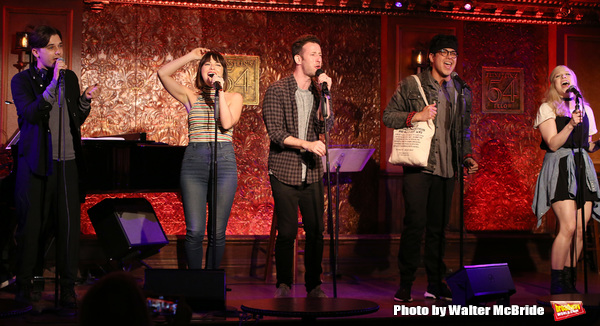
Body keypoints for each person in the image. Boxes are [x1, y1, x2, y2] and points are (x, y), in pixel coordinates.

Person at [383, 34, 478, 302]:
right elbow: (388, 116)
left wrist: (467, 156)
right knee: (415, 225)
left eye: (454, 54)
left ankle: (436, 283)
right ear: (432, 57)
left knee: (439, 228)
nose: (450, 58)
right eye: (444, 52)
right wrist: (416, 116)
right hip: (420, 168)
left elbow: (463, 130)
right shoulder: (412, 85)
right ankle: (406, 282)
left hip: (448, 170)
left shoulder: (461, 89)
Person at [10, 25, 99, 309]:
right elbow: (31, 114)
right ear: (36, 52)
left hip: (67, 163)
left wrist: (84, 101)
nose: (58, 52)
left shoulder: (69, 79)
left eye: (60, 46)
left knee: (69, 228)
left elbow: (75, 121)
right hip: (36, 163)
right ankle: (25, 285)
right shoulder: (21, 81)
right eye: (51, 47)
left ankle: (68, 288)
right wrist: (51, 87)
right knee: (31, 227)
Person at [158, 49, 243, 269]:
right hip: (194, 162)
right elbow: (162, 73)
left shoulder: (234, 97)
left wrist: (220, 92)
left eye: (217, 65)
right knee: (195, 231)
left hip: (224, 162)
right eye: (207, 65)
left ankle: (211, 285)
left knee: (217, 232)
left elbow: (225, 123)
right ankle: (195, 284)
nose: (212, 68)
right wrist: (190, 56)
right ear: (200, 71)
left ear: (224, 71)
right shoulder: (190, 96)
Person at [262, 34, 333, 298]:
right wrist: (307, 144)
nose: (318, 59)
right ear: (298, 59)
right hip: (284, 170)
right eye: (313, 54)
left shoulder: (318, 92)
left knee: (316, 231)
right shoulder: (277, 90)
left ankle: (314, 284)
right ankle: (284, 284)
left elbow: (325, 125)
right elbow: (277, 134)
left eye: (321, 55)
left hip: (312, 172)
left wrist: (326, 96)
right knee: (288, 231)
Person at [532, 65, 600, 294]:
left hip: (582, 166)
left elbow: (587, 145)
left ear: (574, 80)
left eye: (567, 74)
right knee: (568, 226)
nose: (564, 78)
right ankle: (557, 280)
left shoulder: (585, 109)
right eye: (558, 76)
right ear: (553, 83)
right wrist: (571, 123)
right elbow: (552, 143)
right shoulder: (547, 108)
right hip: (560, 166)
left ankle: (569, 279)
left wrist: (597, 145)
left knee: (581, 228)